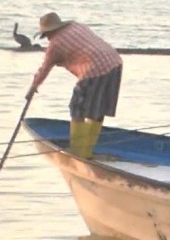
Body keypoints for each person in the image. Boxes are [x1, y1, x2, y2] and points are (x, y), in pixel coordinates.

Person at [26, 12, 123, 159]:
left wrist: (33, 87)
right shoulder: (77, 26)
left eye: (47, 36)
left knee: (76, 108)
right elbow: (82, 50)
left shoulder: (55, 44)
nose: (48, 39)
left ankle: (79, 152)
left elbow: (44, 68)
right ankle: (87, 152)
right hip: (114, 62)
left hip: (94, 69)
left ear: (51, 32)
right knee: (97, 110)